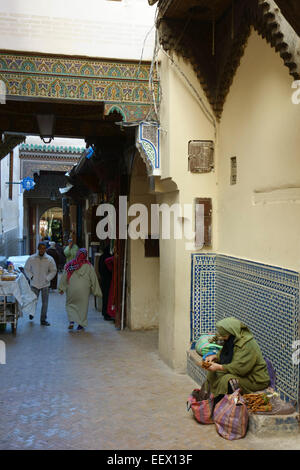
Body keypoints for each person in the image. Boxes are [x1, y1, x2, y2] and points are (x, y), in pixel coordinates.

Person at [205, 317, 270, 406]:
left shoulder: (247, 344)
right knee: (213, 374)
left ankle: (223, 407)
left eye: (224, 336)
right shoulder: (233, 339)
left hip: (255, 380)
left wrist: (219, 367)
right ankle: (210, 403)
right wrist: (215, 357)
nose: (223, 338)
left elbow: (240, 368)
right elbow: (227, 353)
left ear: (232, 332)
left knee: (227, 380)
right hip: (242, 374)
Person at [58, 248, 101, 331]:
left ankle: (71, 321)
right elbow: (94, 279)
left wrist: (61, 288)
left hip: (71, 289)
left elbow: (64, 277)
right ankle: (80, 325)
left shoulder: (70, 264)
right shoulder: (89, 266)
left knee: (70, 305)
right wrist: (96, 290)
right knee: (82, 307)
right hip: (84, 291)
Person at [24, 242, 57, 326]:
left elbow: (53, 270)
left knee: (45, 303)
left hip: (45, 284)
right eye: (40, 248)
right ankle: (31, 313)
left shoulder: (49, 259)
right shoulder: (31, 258)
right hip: (34, 283)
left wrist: (48, 278)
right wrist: (31, 277)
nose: (42, 250)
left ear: (45, 249)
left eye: (43, 248)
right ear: (38, 248)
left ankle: (43, 319)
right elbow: (26, 269)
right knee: (33, 300)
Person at [98, 245, 114, 321]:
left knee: (104, 297)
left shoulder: (101, 257)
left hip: (103, 280)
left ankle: (104, 312)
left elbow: (99, 269)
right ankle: (107, 314)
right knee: (108, 297)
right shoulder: (108, 258)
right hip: (108, 280)